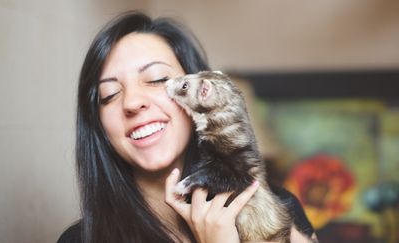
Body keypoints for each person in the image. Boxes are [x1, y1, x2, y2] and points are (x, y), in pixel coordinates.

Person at [57, 11, 317, 243]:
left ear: (203, 95)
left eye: (157, 79)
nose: (133, 102)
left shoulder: (280, 208)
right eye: (110, 94)